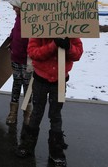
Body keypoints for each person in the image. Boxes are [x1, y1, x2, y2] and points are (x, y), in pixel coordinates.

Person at [16, 37, 83, 166]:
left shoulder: (70, 31)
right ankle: (28, 145)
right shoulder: (39, 29)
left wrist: (68, 46)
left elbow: (78, 53)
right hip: (40, 80)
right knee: (36, 113)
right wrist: (52, 45)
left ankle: (56, 150)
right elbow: (33, 52)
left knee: (55, 115)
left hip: (60, 81)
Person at [6, 0, 32, 125]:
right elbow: (15, 31)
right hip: (15, 57)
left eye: (15, 6)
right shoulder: (18, 18)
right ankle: (13, 112)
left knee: (28, 87)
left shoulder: (31, 20)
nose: (13, 9)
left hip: (28, 60)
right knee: (16, 83)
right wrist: (11, 40)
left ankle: (28, 114)